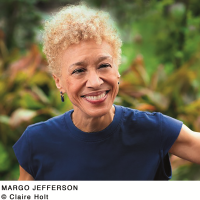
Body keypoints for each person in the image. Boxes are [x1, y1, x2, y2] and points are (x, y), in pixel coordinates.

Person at [13, 4, 200, 180]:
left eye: (104, 66)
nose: (95, 82)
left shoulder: (154, 130)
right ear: (59, 82)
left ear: (117, 70)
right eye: (78, 70)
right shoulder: (35, 143)